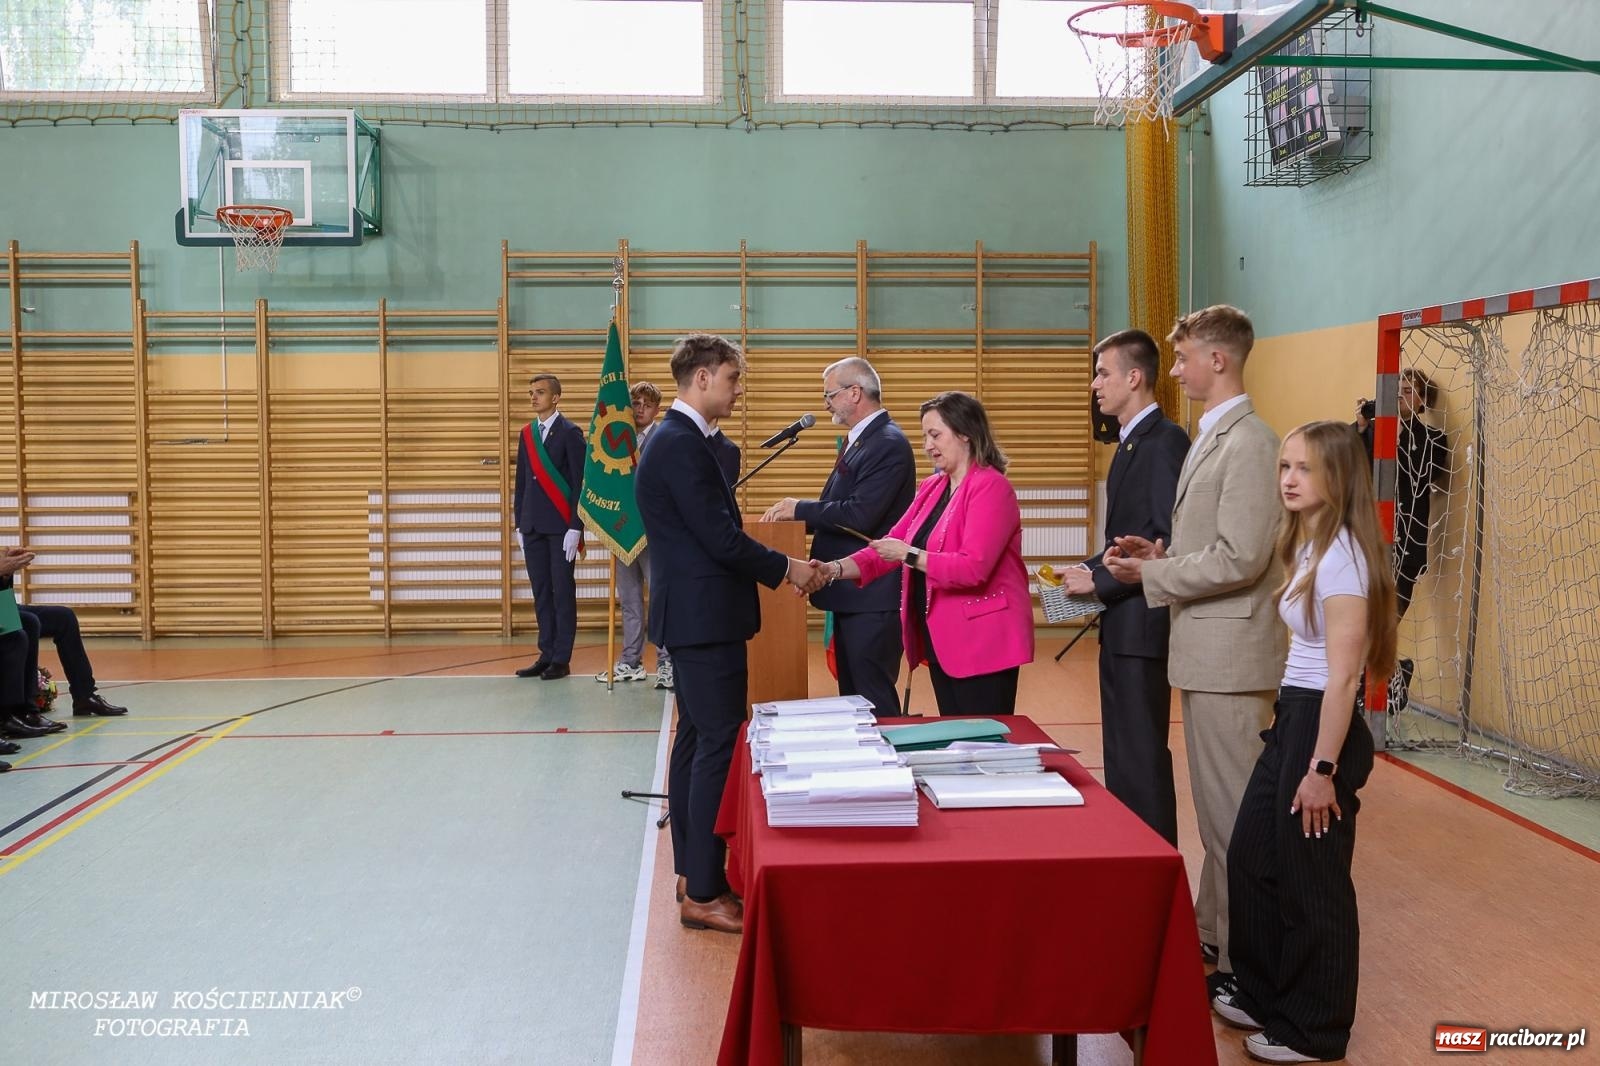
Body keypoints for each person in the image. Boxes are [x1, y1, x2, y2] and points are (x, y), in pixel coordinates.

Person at [1103, 305, 1283, 989]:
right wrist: (1163, 551)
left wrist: (1153, 572)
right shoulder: (1218, 436)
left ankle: (1246, 964)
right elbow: (1213, 543)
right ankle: (1214, 933)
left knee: (1235, 819)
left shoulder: (1250, 442)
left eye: (1182, 359)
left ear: (1217, 360)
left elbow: (1240, 557)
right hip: (1207, 651)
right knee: (1216, 815)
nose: (1173, 371)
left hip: (1231, 657)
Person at [1212, 421, 1396, 1064]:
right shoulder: (1313, 544)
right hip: (1294, 717)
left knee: (1311, 880)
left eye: (1304, 469)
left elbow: (1345, 676)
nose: (1288, 479)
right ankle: (1265, 993)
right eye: (1285, 466)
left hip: (1323, 728)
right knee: (1253, 858)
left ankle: (1315, 1029)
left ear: (1336, 478)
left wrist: (1321, 768)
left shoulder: (1344, 555)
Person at [635, 333, 824, 934]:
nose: (739, 390)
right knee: (717, 743)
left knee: (695, 740)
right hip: (703, 618)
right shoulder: (679, 445)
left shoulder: (684, 441)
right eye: (733, 379)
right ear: (703, 379)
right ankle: (706, 892)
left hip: (695, 616)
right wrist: (788, 568)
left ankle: (693, 872)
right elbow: (720, 538)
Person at [818, 391, 1032, 716]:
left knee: (983, 745)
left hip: (982, 641)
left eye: (935, 435)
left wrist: (910, 555)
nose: (927, 445)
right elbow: (889, 545)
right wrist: (831, 570)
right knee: (958, 741)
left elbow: (972, 568)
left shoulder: (991, 487)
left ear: (965, 434)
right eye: (924, 436)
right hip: (941, 638)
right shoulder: (934, 487)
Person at [1060, 330, 1189, 846]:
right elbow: (1126, 538)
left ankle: (1154, 861)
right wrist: (1086, 568)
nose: (1095, 385)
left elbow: (1162, 540)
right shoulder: (1132, 442)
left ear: (1134, 377)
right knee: (1123, 759)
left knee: (1140, 760)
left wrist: (1100, 580)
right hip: (1123, 625)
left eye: (1103, 373)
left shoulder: (1164, 442)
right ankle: (1135, 856)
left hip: (1143, 624)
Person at [760, 357, 916, 717]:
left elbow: (861, 514)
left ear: (855, 392)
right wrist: (795, 520)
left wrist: (799, 509)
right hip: (853, 595)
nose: (825, 402)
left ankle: (886, 768)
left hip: (872, 596)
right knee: (854, 699)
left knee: (873, 697)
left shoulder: (887, 443)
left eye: (829, 394)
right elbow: (841, 508)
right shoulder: (862, 441)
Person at [599, 381, 673, 688]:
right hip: (622, 531)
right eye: (636, 404)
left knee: (660, 598)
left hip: (654, 533)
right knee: (629, 600)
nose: (640, 409)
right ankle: (631, 661)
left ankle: (667, 662)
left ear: (656, 409)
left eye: (646, 404)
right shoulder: (619, 441)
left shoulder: (663, 438)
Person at [512, 373, 585, 681]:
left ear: (555, 397)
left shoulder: (571, 432)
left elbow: (580, 481)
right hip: (532, 526)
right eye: (531, 392)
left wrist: (575, 527)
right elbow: (521, 484)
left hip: (560, 528)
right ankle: (546, 652)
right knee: (541, 591)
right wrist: (518, 523)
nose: (534, 397)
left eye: (539, 392)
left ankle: (561, 657)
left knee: (562, 591)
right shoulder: (527, 434)